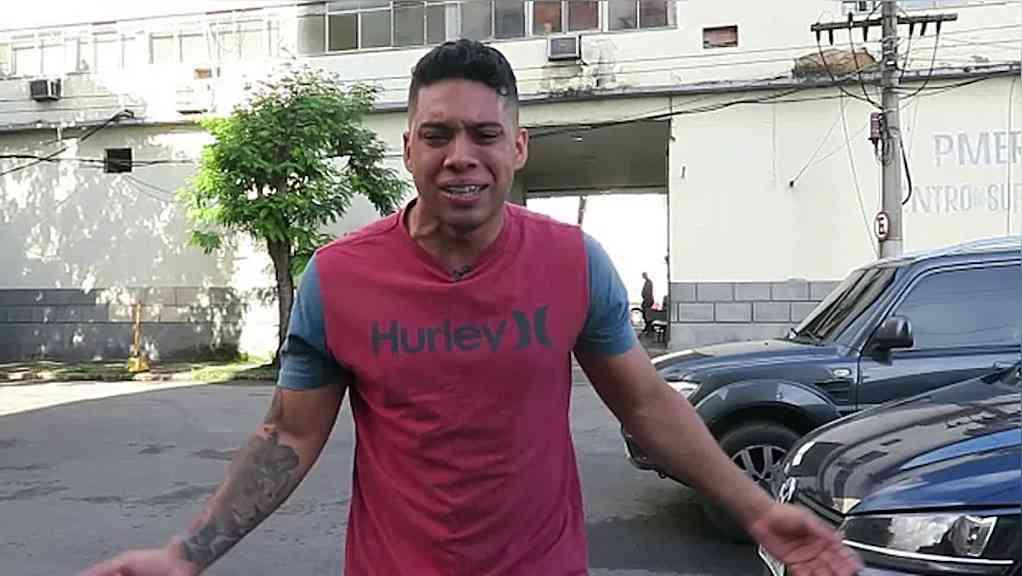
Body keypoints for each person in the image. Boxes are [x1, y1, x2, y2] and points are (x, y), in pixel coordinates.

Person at [80, 40, 861, 576]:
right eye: (438, 134)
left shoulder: (573, 262)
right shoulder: (338, 277)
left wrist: (757, 512)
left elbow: (647, 404)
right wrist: (187, 555)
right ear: (408, 149)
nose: (462, 156)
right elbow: (288, 435)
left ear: (518, 148)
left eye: (486, 134)